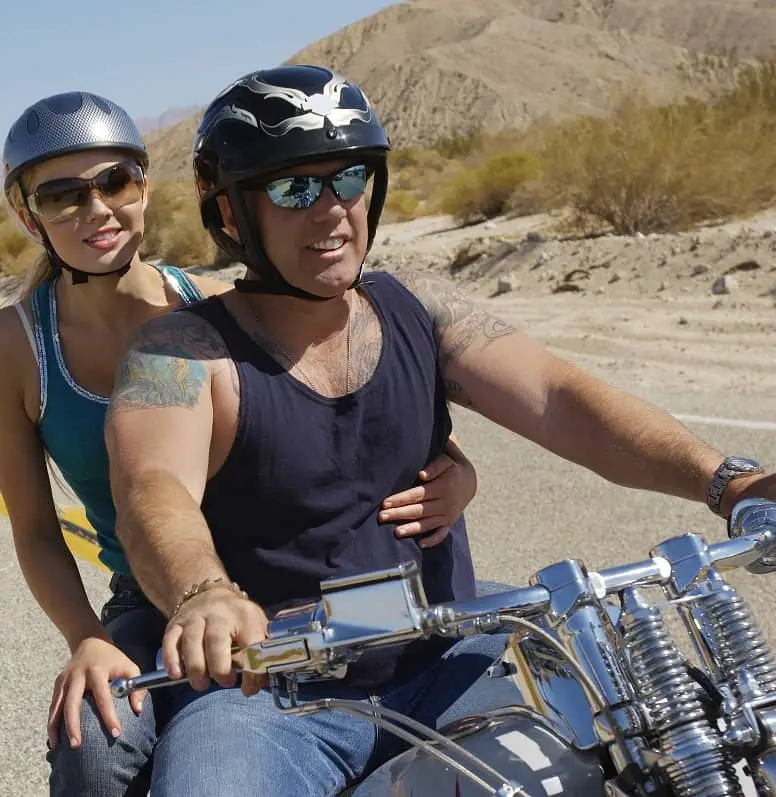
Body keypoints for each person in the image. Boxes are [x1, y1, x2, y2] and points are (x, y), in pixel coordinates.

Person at [102, 63, 776, 797]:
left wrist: (728, 481)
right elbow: (152, 485)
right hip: (270, 693)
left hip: (450, 655)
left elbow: (559, 397)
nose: (331, 211)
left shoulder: (416, 305)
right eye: (295, 188)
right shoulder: (181, 350)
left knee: (679, 740)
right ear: (232, 215)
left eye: (350, 179)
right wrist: (204, 592)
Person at [0, 90, 480, 796]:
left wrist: (459, 471)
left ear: (146, 185)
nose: (98, 210)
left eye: (116, 181)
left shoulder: (212, 305)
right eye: (63, 195)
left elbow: (335, 408)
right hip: (155, 597)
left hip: (281, 576)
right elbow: (33, 527)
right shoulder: (9, 347)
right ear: (28, 216)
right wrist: (87, 635)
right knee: (95, 742)